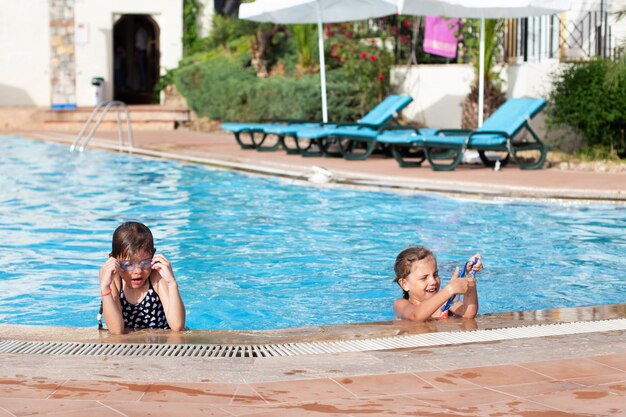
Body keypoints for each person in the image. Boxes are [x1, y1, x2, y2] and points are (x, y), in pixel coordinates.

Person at [99, 222, 185, 334]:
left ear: (153, 257)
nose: (138, 271)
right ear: (114, 260)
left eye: (145, 262)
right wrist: (105, 288)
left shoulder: (156, 275)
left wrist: (172, 283)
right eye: (128, 264)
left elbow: (177, 326)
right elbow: (116, 331)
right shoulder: (113, 276)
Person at [393, 246, 482, 322]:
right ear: (404, 284)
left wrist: (469, 278)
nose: (433, 281)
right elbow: (415, 316)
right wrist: (449, 290)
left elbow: (468, 314)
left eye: (435, 275)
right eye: (424, 278)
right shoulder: (401, 304)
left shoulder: (445, 302)